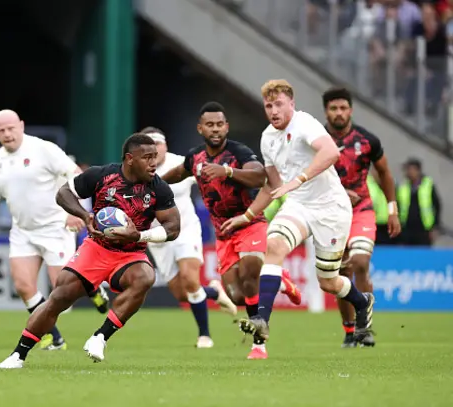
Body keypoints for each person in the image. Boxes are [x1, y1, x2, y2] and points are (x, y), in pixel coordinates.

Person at [0, 133, 180, 369]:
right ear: (130, 159)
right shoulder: (101, 175)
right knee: (59, 297)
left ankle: (100, 337)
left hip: (130, 254)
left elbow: (173, 227)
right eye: (147, 157)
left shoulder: (159, 188)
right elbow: (63, 193)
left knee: (145, 277)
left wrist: (140, 235)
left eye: (155, 156)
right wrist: (84, 216)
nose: (154, 162)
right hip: (96, 248)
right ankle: (18, 355)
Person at [236, 80, 374, 356]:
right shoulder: (267, 138)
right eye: (268, 106)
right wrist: (248, 215)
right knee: (273, 246)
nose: (273, 111)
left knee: (328, 282)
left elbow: (331, 152)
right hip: (299, 205)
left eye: (278, 104)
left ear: (291, 103)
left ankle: (362, 301)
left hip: (331, 209)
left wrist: (297, 180)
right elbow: (273, 186)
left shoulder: (304, 123)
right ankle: (262, 324)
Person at [162, 101, 301, 360]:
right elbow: (179, 173)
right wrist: (153, 181)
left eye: (219, 124)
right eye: (210, 125)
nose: (215, 129)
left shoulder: (239, 152)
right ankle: (277, 278)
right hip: (223, 232)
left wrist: (226, 171)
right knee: (237, 296)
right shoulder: (195, 157)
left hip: (250, 222)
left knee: (250, 274)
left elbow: (259, 177)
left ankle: (259, 344)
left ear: (227, 127)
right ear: (200, 128)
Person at [0, 109, 109, 351]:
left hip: (55, 226)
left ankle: (92, 287)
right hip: (23, 230)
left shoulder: (43, 148)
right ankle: (54, 337)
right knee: (23, 285)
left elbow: (75, 175)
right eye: (1, 130)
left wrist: (73, 211)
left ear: (21, 125)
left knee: (63, 288)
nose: (8, 134)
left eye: (11, 128)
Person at [141, 127, 237, 349]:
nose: (155, 149)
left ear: (166, 145)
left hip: (185, 230)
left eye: (159, 143)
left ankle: (204, 335)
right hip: (158, 238)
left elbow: (208, 177)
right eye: (150, 145)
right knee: (180, 293)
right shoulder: (136, 170)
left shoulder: (181, 163)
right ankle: (213, 291)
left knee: (190, 279)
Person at [322, 87, 401, 348]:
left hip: (361, 210)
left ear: (351, 110)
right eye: (333, 108)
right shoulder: (316, 140)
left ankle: (363, 326)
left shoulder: (367, 140)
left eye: (343, 108)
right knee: (340, 272)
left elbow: (385, 173)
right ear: (326, 112)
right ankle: (349, 331)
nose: (339, 113)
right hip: (331, 213)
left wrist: (392, 210)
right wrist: (340, 192)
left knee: (360, 262)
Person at [397, 158, 441, 246]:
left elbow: (437, 206)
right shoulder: (403, 186)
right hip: (407, 228)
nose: (409, 172)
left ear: (418, 170)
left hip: (424, 229)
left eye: (411, 169)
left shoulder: (428, 184)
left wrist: (435, 227)